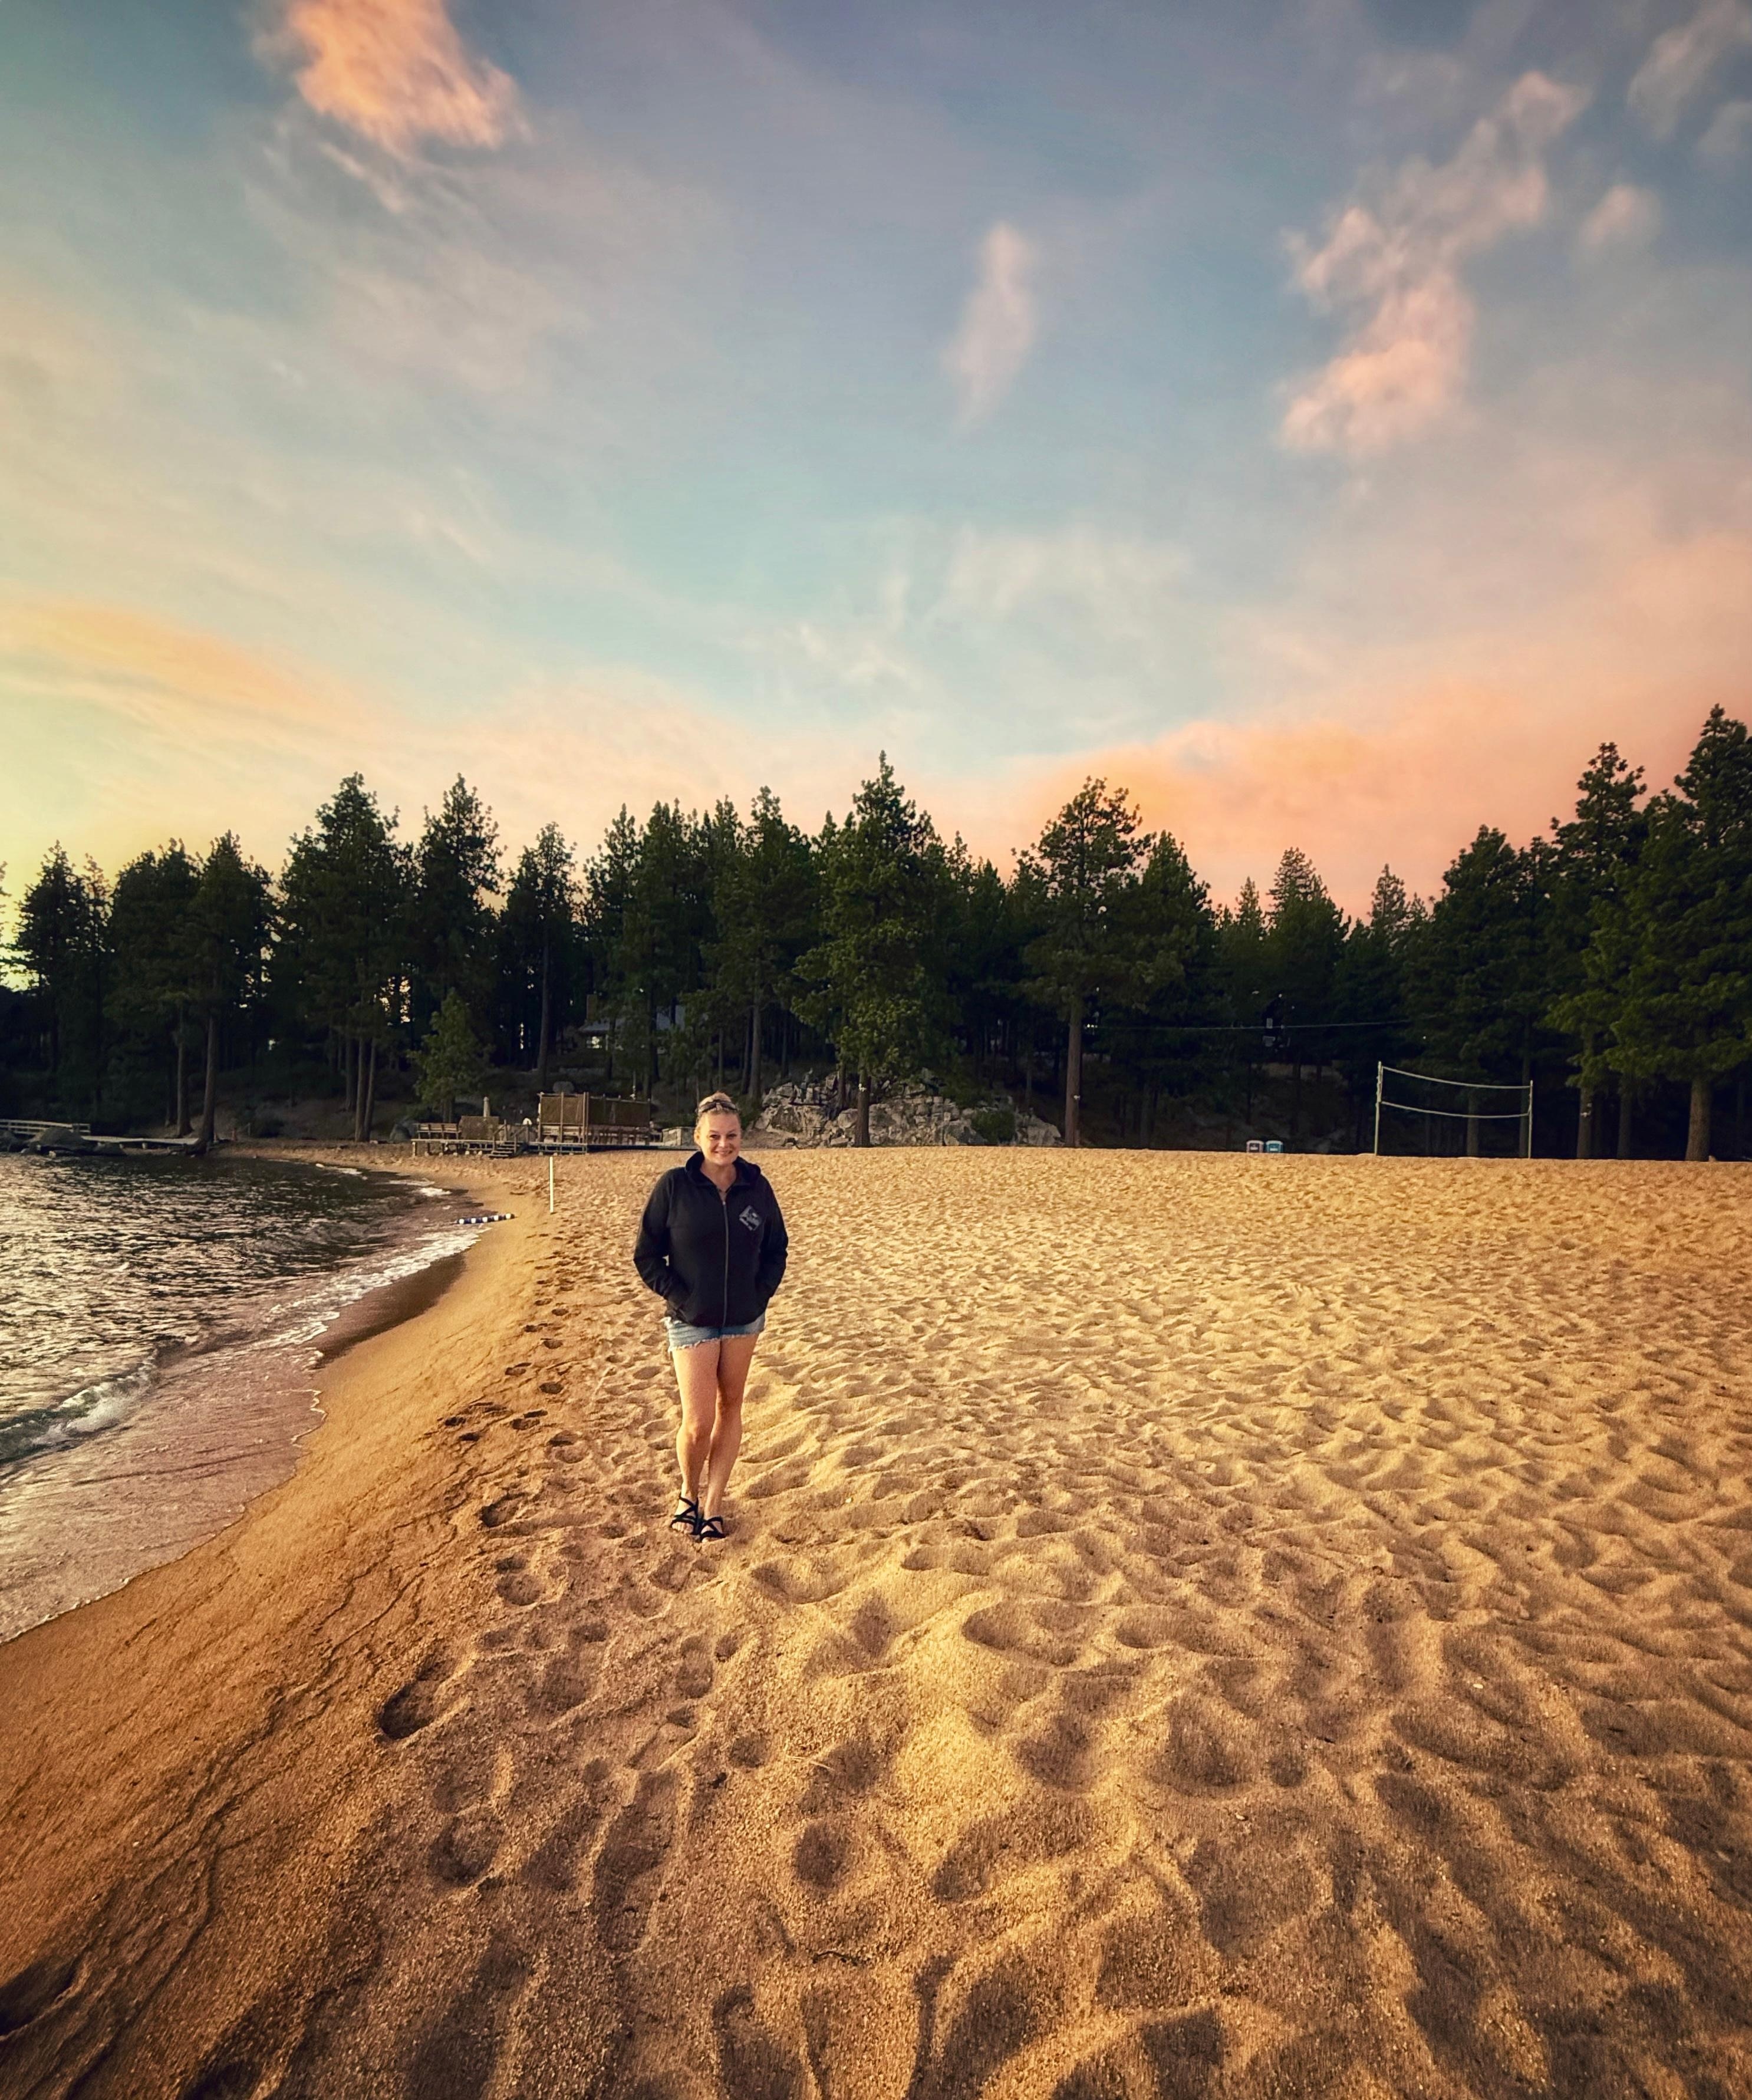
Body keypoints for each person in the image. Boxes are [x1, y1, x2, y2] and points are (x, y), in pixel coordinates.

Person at [633, 1091, 788, 1541]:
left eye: (732, 1135)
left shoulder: (756, 1186)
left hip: (744, 1319)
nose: (724, 1144)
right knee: (698, 1422)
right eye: (715, 1136)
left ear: (742, 1137)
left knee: (731, 1407)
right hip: (691, 1320)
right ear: (698, 1137)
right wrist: (681, 1299)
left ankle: (715, 1504)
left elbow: (777, 1249)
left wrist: (759, 1296)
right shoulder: (675, 1187)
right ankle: (688, 1493)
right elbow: (646, 1256)